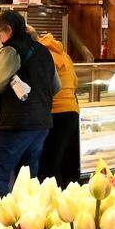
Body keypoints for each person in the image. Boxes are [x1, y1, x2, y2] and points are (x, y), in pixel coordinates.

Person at [0, 10, 59, 195]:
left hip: (14, 124)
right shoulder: (44, 51)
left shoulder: (11, 50)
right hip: (41, 124)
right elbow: (57, 86)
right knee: (28, 179)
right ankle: (27, 213)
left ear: (8, 29)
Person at [35, 27, 80, 186]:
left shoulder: (40, 54)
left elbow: (41, 85)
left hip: (55, 111)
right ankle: (69, 195)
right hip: (72, 110)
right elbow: (75, 82)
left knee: (49, 164)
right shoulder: (63, 53)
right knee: (66, 163)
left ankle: (53, 196)